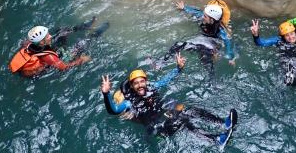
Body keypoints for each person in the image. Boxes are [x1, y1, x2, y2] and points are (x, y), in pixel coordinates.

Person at [100, 53, 238, 147]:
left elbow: (165, 80)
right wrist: (106, 94)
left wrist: (178, 69)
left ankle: (223, 123)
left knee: (190, 110)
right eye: (136, 83)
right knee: (182, 121)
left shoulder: (151, 87)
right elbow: (113, 110)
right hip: (155, 128)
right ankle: (216, 140)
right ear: (131, 85)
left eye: (142, 81)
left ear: (146, 82)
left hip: (162, 114)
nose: (140, 85)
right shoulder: (129, 102)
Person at [8, 17, 106, 77]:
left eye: (48, 34)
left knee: (63, 31)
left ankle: (87, 25)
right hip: (47, 65)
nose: (50, 36)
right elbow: (64, 67)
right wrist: (81, 60)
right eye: (47, 36)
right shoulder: (49, 57)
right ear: (42, 42)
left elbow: (24, 44)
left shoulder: (30, 42)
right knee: (81, 44)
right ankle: (96, 34)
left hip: (43, 53)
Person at [164, 0, 235, 72]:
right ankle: (161, 63)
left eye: (205, 16)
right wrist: (184, 8)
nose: (202, 17)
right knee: (178, 45)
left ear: (212, 20)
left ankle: (212, 81)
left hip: (211, 46)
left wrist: (231, 58)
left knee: (206, 62)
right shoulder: (205, 17)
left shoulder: (221, 30)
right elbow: (195, 12)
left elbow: (228, 43)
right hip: (201, 40)